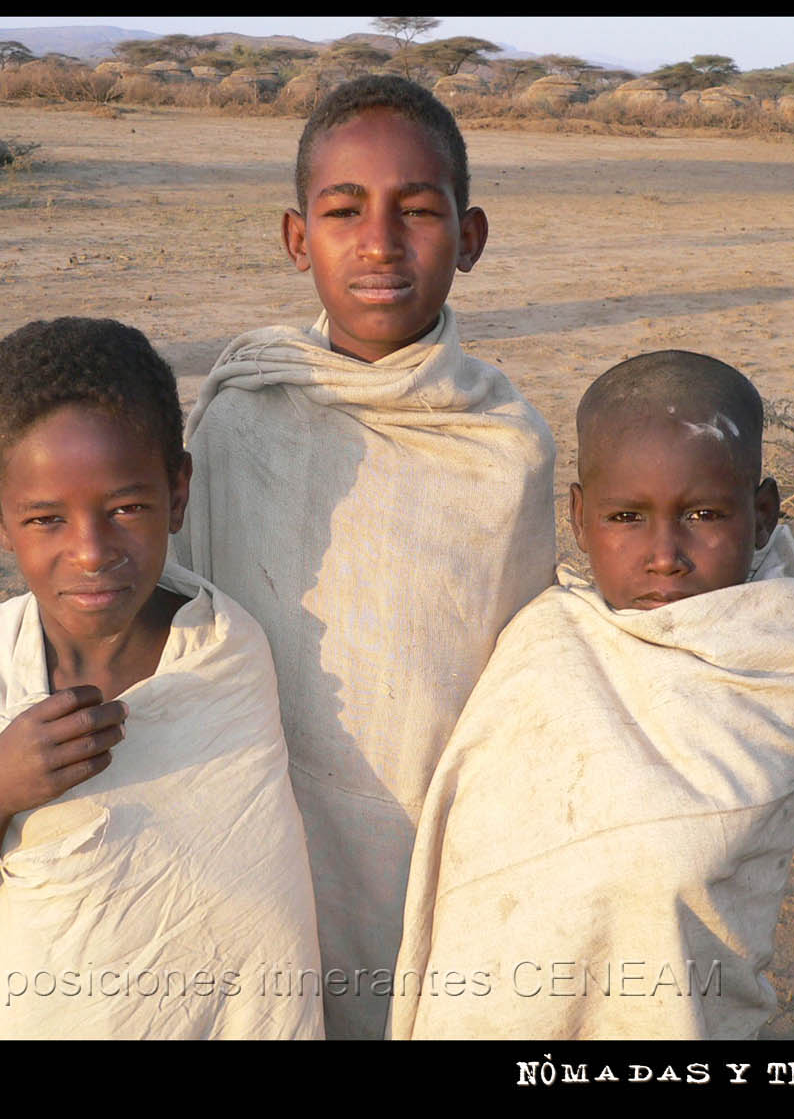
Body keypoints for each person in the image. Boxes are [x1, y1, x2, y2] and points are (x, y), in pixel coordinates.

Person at [175, 76, 556, 1038]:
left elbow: (516, 688)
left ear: (468, 238)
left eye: (417, 211)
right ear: (298, 237)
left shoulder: (504, 449)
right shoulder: (237, 415)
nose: (380, 242)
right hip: (254, 819)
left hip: (421, 839)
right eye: (344, 210)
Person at [0, 318, 322, 1039]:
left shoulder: (227, 655)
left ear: (178, 490)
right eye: (45, 519)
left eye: (126, 508)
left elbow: (256, 919)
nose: (92, 551)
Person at [391, 350, 794, 1039]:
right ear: (578, 517)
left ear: (761, 515)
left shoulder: (780, 659)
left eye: (702, 512)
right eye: (626, 516)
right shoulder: (545, 640)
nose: (664, 552)